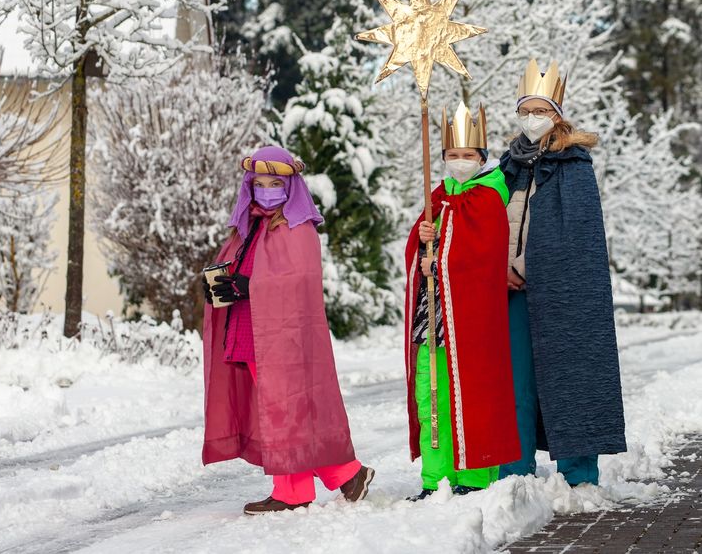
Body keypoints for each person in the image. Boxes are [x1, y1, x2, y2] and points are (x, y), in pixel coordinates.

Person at [201, 145, 374, 515]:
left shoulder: (299, 226)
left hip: (283, 336)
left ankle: (332, 478)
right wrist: (221, 283)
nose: (266, 189)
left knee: (285, 408)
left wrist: (251, 286)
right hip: (249, 330)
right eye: (259, 182)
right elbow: (240, 266)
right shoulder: (251, 224)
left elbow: (300, 280)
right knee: (276, 409)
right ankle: (320, 481)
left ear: (290, 184)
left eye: (274, 182)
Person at [498, 59, 626, 487]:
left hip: (563, 292)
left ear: (556, 115)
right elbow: (492, 224)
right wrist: (500, 267)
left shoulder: (573, 165)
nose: (532, 119)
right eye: (526, 111)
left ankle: (579, 474)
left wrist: (544, 269)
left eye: (541, 111)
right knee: (516, 382)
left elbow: (581, 237)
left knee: (571, 375)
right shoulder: (507, 167)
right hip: (512, 292)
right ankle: (514, 472)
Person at [403, 103, 521, 500]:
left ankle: (474, 477)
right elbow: (419, 257)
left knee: (472, 395)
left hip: (470, 322)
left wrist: (442, 253)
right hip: (432, 316)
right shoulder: (437, 197)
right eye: (452, 156)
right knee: (430, 393)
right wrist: (421, 241)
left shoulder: (488, 199)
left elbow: (482, 258)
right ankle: (434, 479)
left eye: (468, 156)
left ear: (482, 158)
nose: (459, 162)